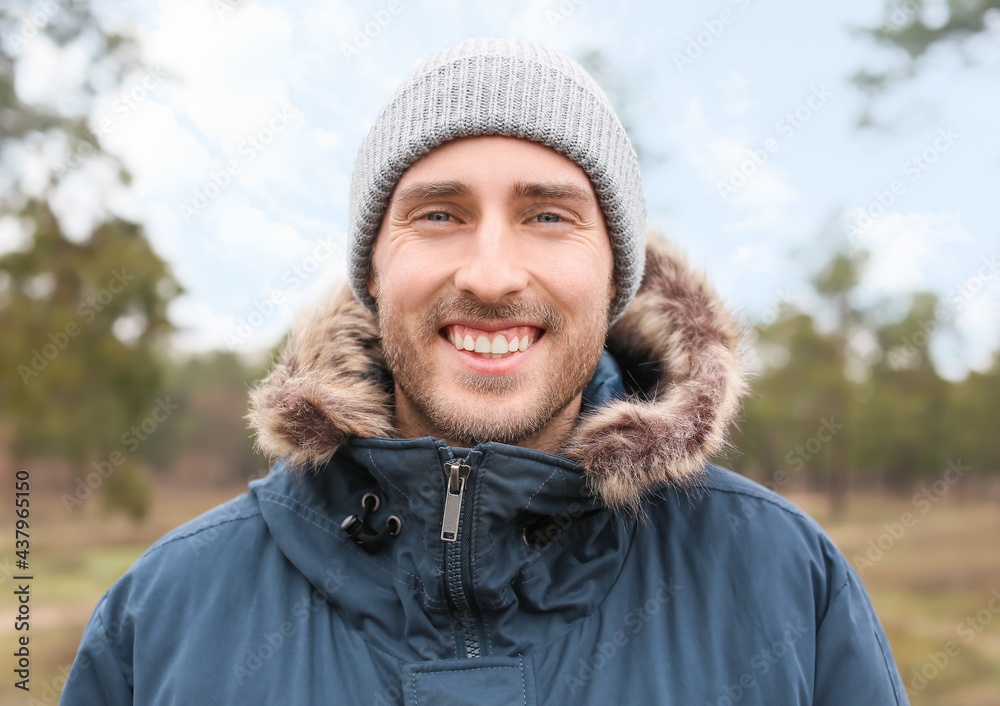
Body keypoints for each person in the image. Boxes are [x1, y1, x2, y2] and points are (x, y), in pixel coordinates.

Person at [62, 38, 908, 705]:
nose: (493, 275)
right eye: (438, 214)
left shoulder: (785, 585)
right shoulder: (165, 615)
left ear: (616, 277)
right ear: (373, 270)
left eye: (548, 214)